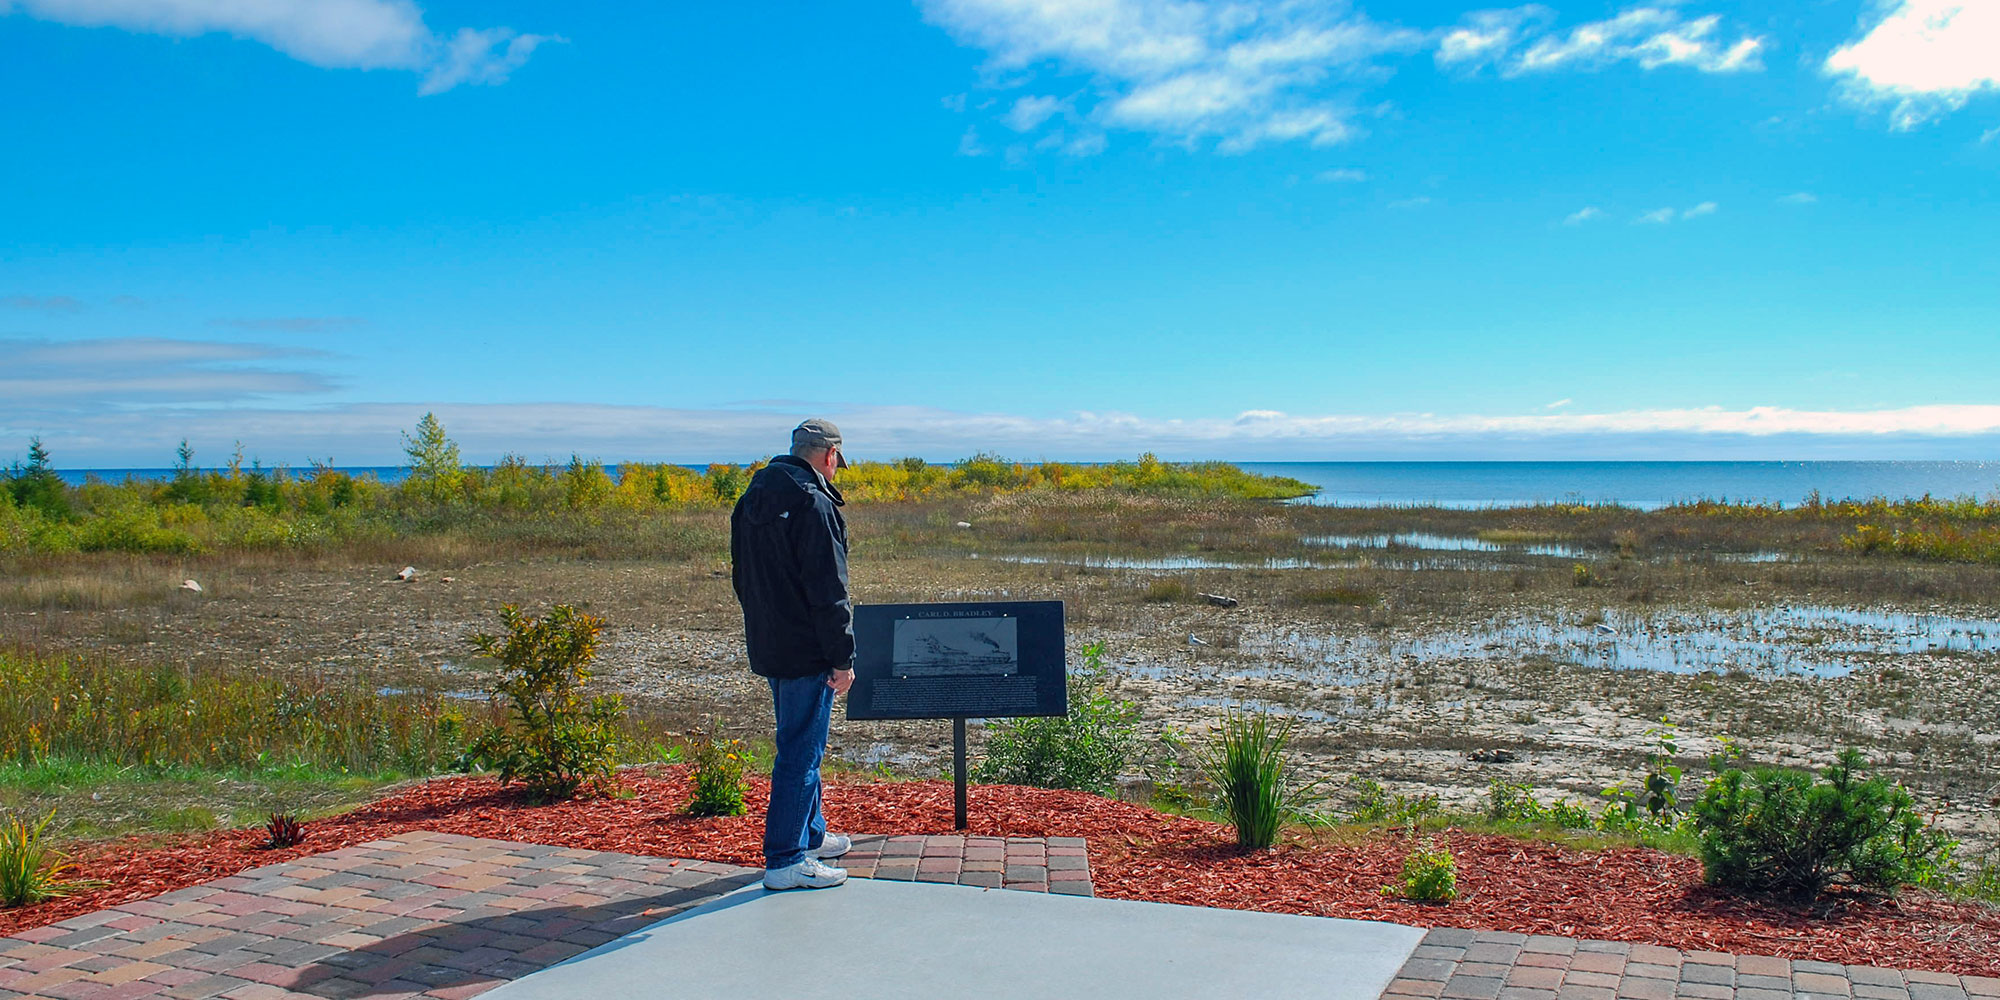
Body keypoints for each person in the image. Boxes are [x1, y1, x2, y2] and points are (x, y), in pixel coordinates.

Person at [730, 418, 858, 890]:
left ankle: (810, 835)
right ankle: (785, 859)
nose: (836, 471)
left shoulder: (751, 500)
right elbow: (830, 591)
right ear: (828, 456)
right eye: (837, 463)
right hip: (807, 651)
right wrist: (842, 658)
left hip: (771, 643)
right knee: (800, 752)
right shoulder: (814, 503)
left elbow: (742, 578)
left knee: (803, 743)